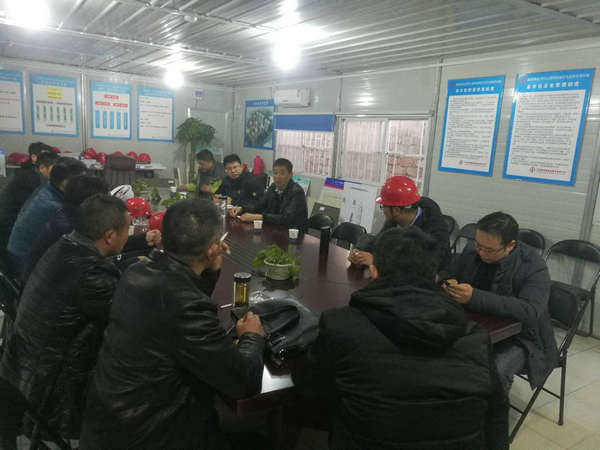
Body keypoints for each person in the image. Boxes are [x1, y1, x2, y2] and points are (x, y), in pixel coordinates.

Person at [292, 227, 507, 450]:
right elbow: (497, 412)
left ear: (374, 270)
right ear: (434, 277)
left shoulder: (341, 325)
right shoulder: (476, 337)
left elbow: (310, 390)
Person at [80, 199, 266, 450]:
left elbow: (182, 294)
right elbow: (243, 383)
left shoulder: (137, 272)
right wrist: (252, 336)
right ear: (212, 249)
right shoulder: (186, 305)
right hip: (151, 436)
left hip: (110, 425)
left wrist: (211, 269)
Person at [0, 194, 130, 442]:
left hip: (21, 374)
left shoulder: (65, 246)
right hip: (55, 396)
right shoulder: (91, 275)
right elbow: (134, 317)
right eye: (127, 228)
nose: (128, 234)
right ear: (109, 236)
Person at [441, 211, 557, 394]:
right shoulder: (474, 250)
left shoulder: (533, 266)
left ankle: (492, 409)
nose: (480, 252)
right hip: (479, 328)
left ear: (510, 245)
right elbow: (448, 272)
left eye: (488, 250)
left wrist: (474, 297)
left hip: (523, 338)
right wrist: (448, 283)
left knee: (496, 370)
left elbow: (529, 310)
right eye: (478, 244)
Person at [348, 175, 451, 271]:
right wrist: (360, 253)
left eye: (383, 206)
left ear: (396, 210)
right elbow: (379, 241)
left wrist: (377, 261)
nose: (383, 210)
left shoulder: (436, 231)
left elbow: (421, 265)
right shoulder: (395, 219)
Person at [8, 157, 86, 278]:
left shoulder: (48, 188)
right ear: (65, 182)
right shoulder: (54, 207)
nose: (84, 185)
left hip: (17, 250)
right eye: (81, 180)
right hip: (25, 261)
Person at [0, 146, 59, 273]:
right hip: (8, 232)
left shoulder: (30, 174)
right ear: (41, 167)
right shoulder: (31, 180)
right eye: (54, 169)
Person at [237, 158, 308, 229]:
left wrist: (259, 217)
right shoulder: (273, 187)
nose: (278, 177)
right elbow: (259, 205)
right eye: (275, 173)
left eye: (282, 173)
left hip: (293, 232)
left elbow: (286, 218)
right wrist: (242, 209)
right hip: (274, 229)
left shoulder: (297, 192)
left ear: (290, 175)